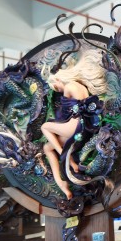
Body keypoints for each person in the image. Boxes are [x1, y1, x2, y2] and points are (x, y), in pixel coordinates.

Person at [42, 49, 107, 199]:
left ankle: (67, 158)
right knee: (47, 147)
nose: (58, 90)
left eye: (56, 87)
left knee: (44, 127)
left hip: (74, 125)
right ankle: (63, 185)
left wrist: (57, 120)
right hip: (83, 128)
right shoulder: (81, 87)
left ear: (59, 80)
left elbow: (66, 113)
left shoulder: (70, 86)